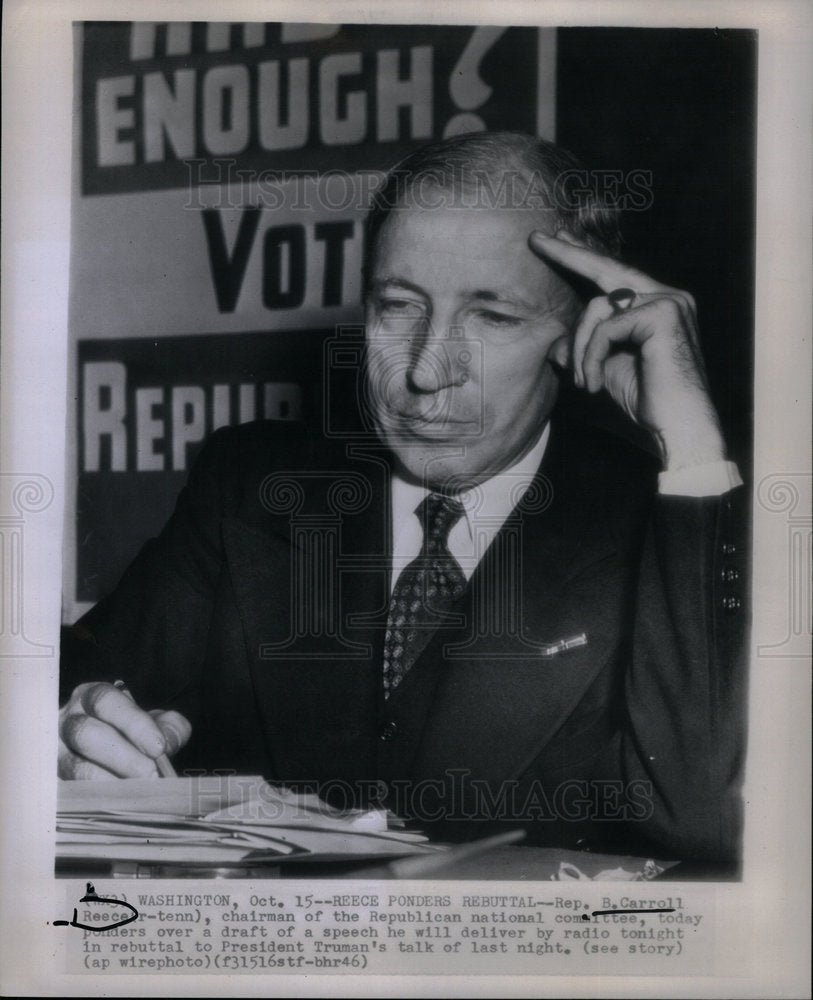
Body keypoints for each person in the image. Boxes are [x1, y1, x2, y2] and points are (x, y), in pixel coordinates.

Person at [59, 132, 747, 862]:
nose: (424, 371)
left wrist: (693, 453)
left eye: (492, 318)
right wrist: (72, 725)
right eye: (397, 306)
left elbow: (704, 819)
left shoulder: (664, 522)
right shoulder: (252, 485)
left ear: (582, 332)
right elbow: (85, 678)